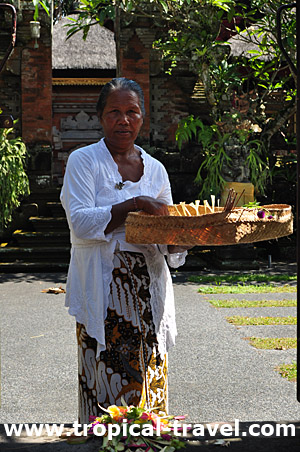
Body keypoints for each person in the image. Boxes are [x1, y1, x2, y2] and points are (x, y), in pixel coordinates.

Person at [60, 77, 189, 425]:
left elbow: (168, 238)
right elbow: (81, 223)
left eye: (132, 112)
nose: (124, 120)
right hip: (106, 290)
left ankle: (148, 440)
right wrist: (135, 203)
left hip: (150, 291)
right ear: (101, 117)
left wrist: (183, 236)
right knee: (107, 377)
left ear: (142, 118)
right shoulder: (84, 162)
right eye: (114, 112)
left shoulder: (157, 170)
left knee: (148, 374)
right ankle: (103, 442)